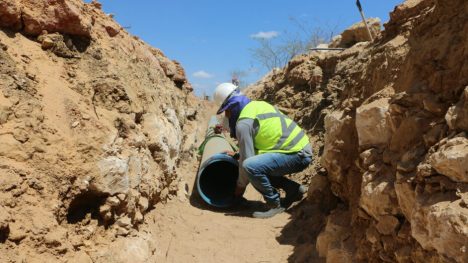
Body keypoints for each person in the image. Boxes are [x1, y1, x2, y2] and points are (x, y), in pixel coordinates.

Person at [214, 83, 313, 218]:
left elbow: (247, 163)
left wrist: (238, 192)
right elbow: (263, 142)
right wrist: (238, 154)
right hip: (300, 149)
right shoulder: (257, 105)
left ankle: (274, 204)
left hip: (297, 155)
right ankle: (294, 190)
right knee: (257, 165)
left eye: (226, 111)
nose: (227, 115)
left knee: (250, 166)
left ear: (232, 107)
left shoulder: (243, 124)